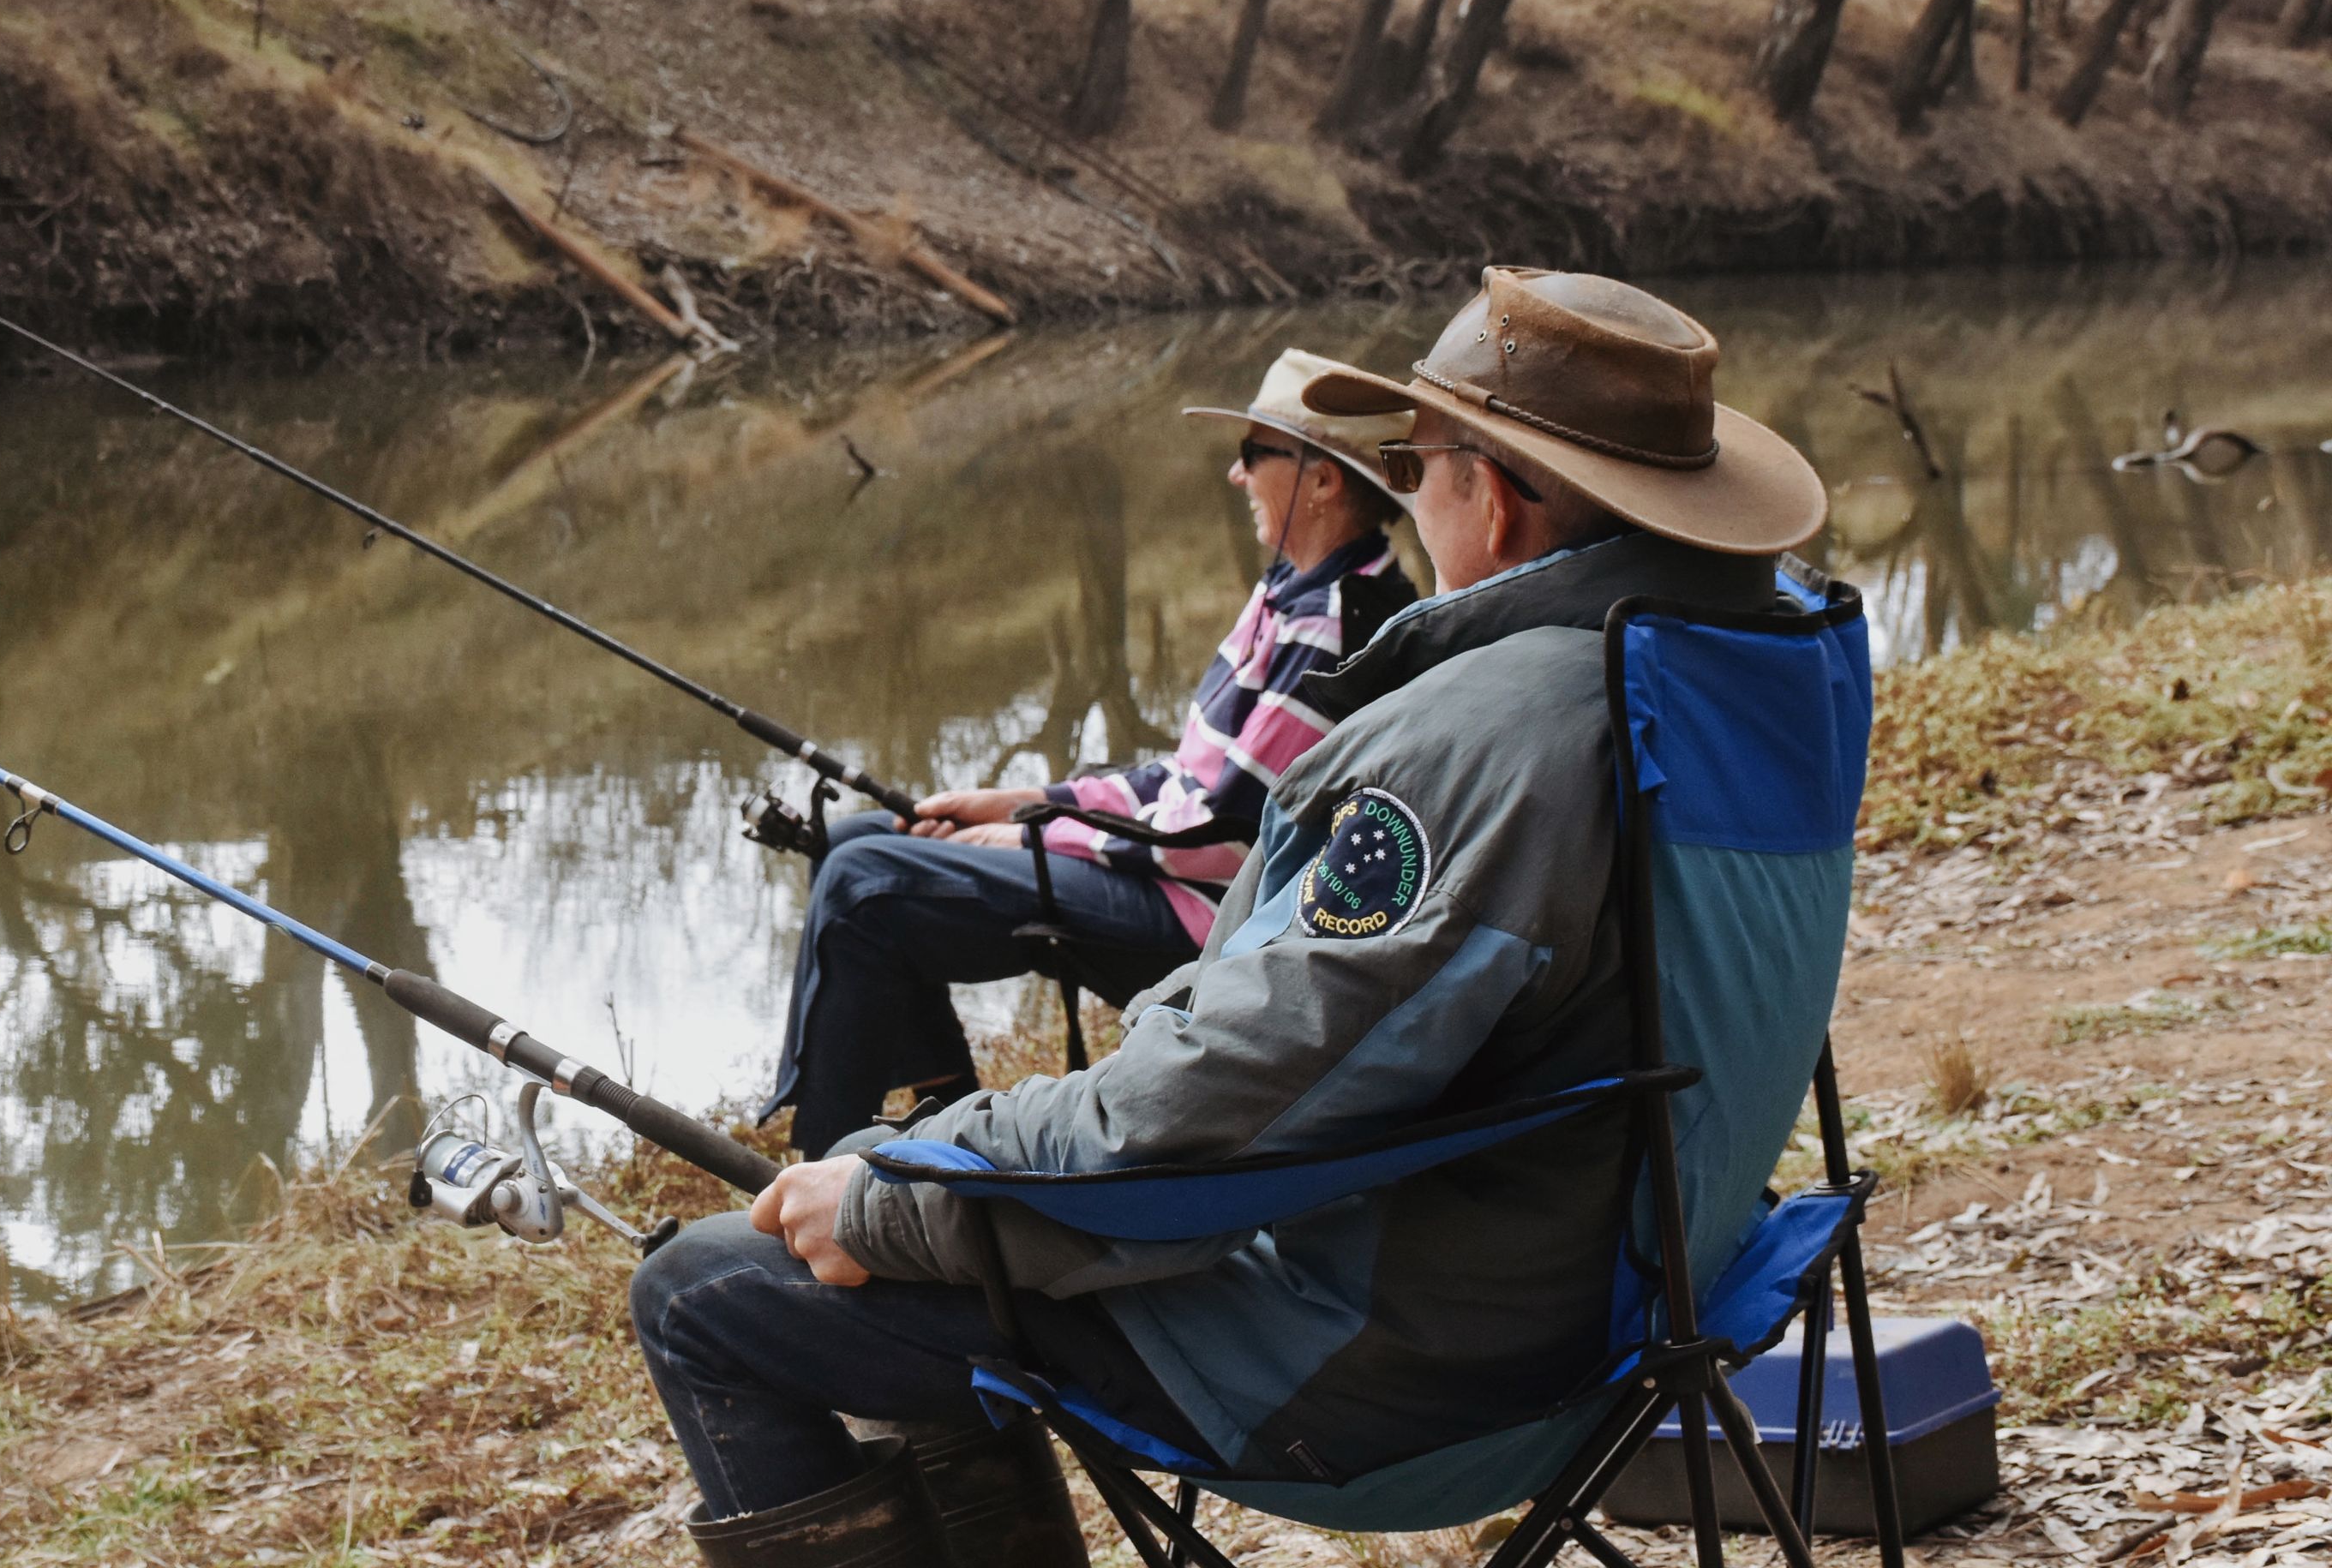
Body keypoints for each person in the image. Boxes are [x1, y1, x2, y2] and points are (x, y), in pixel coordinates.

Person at [632, 269, 1837, 1566]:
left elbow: (1218, 1112)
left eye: (1413, 462)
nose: (1403, 492)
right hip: (1647, 1303)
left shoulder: (1502, 740)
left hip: (1406, 1379)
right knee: (897, 1223)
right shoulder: (1746, 667)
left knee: (704, 1292)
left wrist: (902, 1194)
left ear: (1488, 495)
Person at [757, 351, 1417, 1161]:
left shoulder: (1332, 625)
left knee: (864, 887)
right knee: (860, 840)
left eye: (1254, 454)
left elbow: (1217, 834)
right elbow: (1184, 779)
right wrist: (1023, 800)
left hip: (1208, 919)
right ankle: (941, 1122)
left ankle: (817, 1157)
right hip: (1177, 879)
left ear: (1321, 483)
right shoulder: (1292, 591)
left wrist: (1036, 837)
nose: (1236, 476)